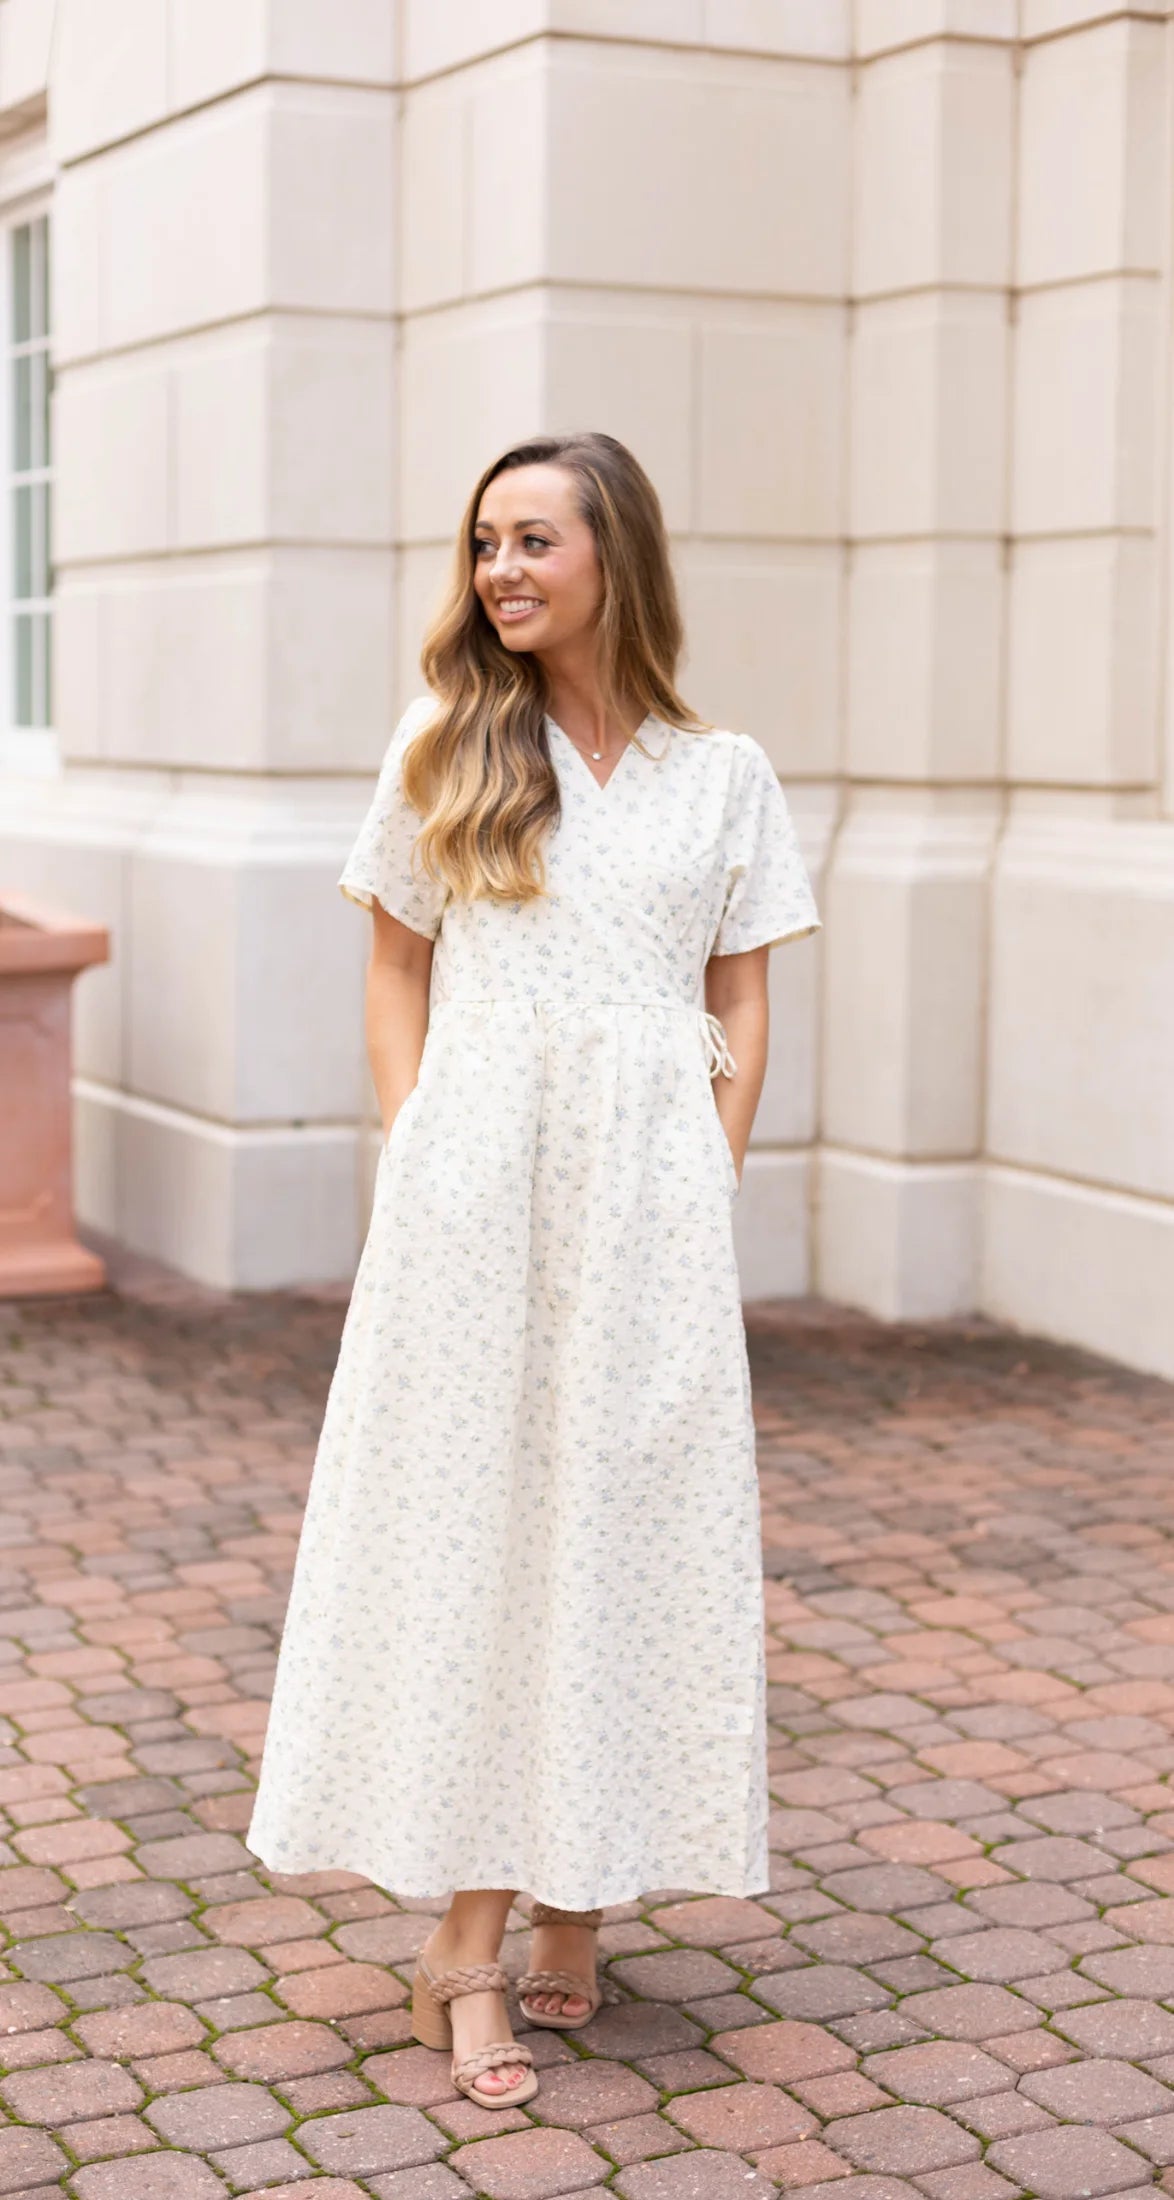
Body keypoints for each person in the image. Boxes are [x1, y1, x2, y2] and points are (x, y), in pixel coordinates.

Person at [248, 431, 821, 2109]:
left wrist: (707, 1173)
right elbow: (391, 965)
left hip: (648, 1196)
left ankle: (579, 1890)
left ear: (611, 558)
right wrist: (413, 1145)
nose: (499, 571)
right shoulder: (447, 740)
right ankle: (464, 1940)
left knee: (628, 1525)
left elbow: (742, 993)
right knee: (480, 1526)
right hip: (476, 1181)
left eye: (533, 543)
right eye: (484, 544)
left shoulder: (726, 774)